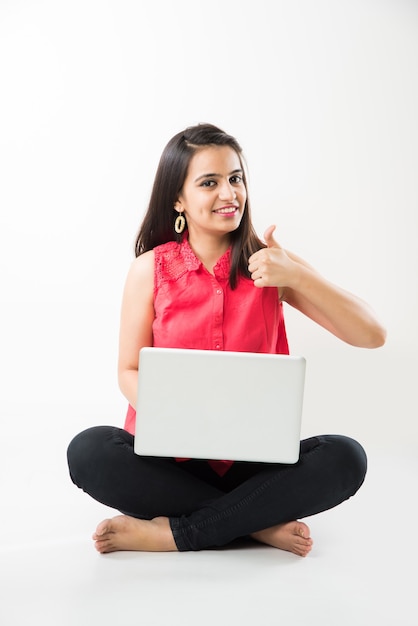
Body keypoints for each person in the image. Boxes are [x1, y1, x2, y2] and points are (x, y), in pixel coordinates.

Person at [67, 123, 386, 557]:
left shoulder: (271, 263)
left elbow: (372, 334)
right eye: (209, 183)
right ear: (177, 198)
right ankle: (254, 524)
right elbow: (127, 371)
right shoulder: (150, 269)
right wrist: (178, 417)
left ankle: (175, 534)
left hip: (253, 462)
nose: (229, 193)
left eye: (236, 179)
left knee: (347, 457)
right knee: (89, 450)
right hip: (171, 461)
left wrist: (297, 276)